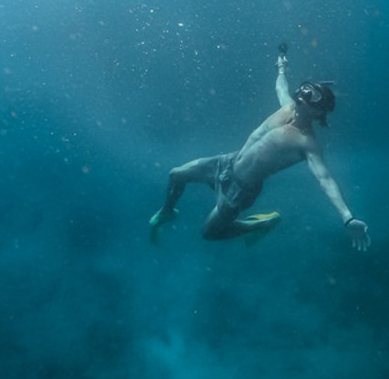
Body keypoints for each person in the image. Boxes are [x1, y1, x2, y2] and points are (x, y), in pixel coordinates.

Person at [149, 46, 370, 251]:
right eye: (307, 89)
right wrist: (281, 66)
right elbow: (280, 86)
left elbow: (325, 180)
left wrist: (347, 218)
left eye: (312, 95)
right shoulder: (288, 107)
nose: (304, 93)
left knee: (209, 233)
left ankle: (262, 224)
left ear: (319, 111)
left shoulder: (306, 143)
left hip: (239, 191)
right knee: (175, 175)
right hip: (225, 163)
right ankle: (167, 211)